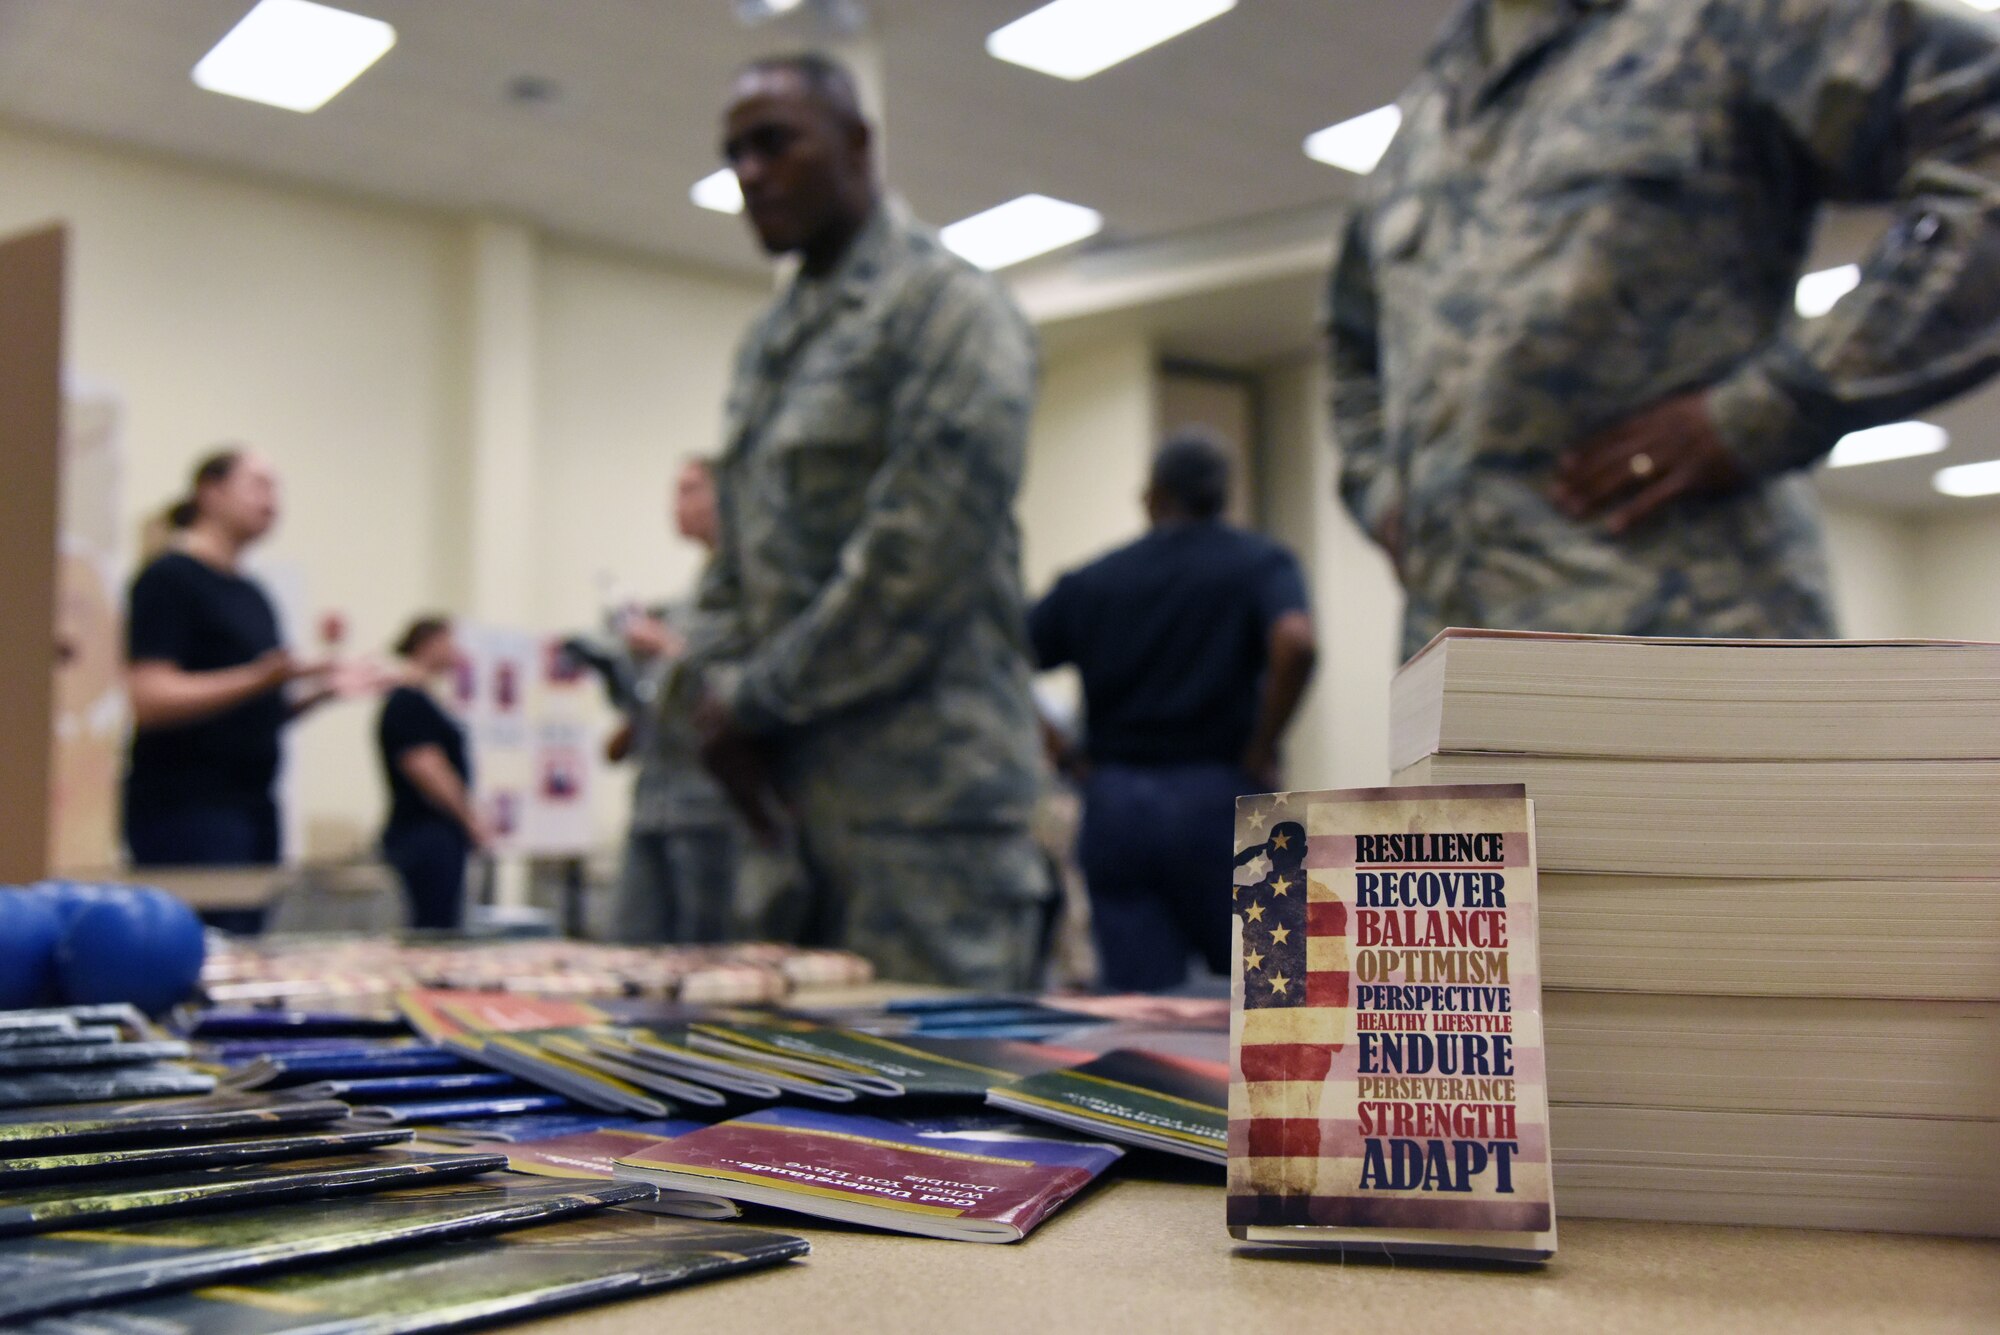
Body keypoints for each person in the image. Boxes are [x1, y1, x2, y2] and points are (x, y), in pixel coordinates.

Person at [1334, 0, 2000, 660]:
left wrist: (1775, 404)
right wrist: (1387, 492)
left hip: (1684, 648)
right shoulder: (1431, 112)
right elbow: (1350, 336)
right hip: (1456, 660)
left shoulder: (1722, 20)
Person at [684, 53, 1049, 989]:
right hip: (791, 813)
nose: (750, 173)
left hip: (927, 822)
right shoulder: (769, 342)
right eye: (735, 154)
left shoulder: (952, 311)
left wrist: (749, 699)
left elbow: (915, 566)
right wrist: (712, 680)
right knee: (783, 1116)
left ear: (856, 143)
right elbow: (734, 553)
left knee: (948, 1119)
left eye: (775, 143)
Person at [1029, 432, 1318, 990]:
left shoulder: (1095, 580)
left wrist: (1060, 748)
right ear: (1222, 496)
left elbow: (1008, 653)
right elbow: (1296, 641)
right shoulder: (1258, 563)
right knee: (1269, 1001)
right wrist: (1262, 747)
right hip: (1223, 800)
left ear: (1152, 497)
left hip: (1117, 806)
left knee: (1143, 1013)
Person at [124, 449, 339, 885]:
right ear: (211, 492)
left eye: (276, 488)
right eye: (259, 485)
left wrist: (325, 689)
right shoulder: (169, 579)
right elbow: (149, 698)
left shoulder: (254, 594)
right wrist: (260, 676)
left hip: (254, 806)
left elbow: (257, 710)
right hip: (188, 808)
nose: (272, 501)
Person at [605, 459, 742, 945]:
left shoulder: (749, 590)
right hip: (655, 801)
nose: (677, 504)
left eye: (690, 489)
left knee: (708, 962)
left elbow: (742, 687)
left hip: (712, 807)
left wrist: (667, 647)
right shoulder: (690, 599)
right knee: (633, 946)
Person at [377, 616, 487, 931]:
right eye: (450, 642)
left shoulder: (422, 699)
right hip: (424, 834)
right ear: (429, 644)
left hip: (435, 832)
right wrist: (468, 817)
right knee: (433, 929)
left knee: (441, 921)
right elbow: (426, 767)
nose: (456, 651)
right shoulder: (409, 701)